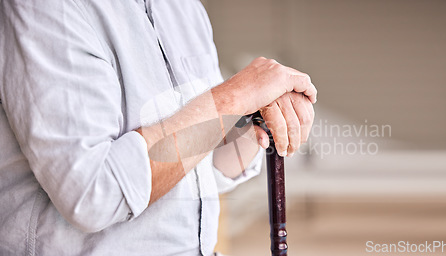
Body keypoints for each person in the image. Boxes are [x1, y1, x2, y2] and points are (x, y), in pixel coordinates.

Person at [0, 1, 316, 255]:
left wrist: (258, 112)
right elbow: (93, 193)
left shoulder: (183, 8)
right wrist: (236, 96)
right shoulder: (47, 9)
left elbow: (205, 168)